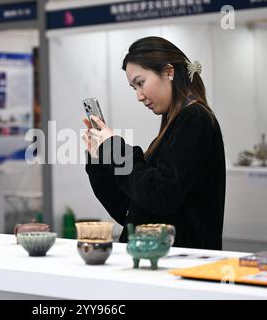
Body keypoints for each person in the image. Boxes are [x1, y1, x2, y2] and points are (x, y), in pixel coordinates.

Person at [82, 36, 226, 250]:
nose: (139, 96)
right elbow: (131, 209)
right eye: (134, 88)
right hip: (159, 259)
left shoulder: (195, 119)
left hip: (180, 264)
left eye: (141, 83)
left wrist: (114, 149)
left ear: (168, 72)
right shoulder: (175, 123)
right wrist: (99, 160)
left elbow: (161, 196)